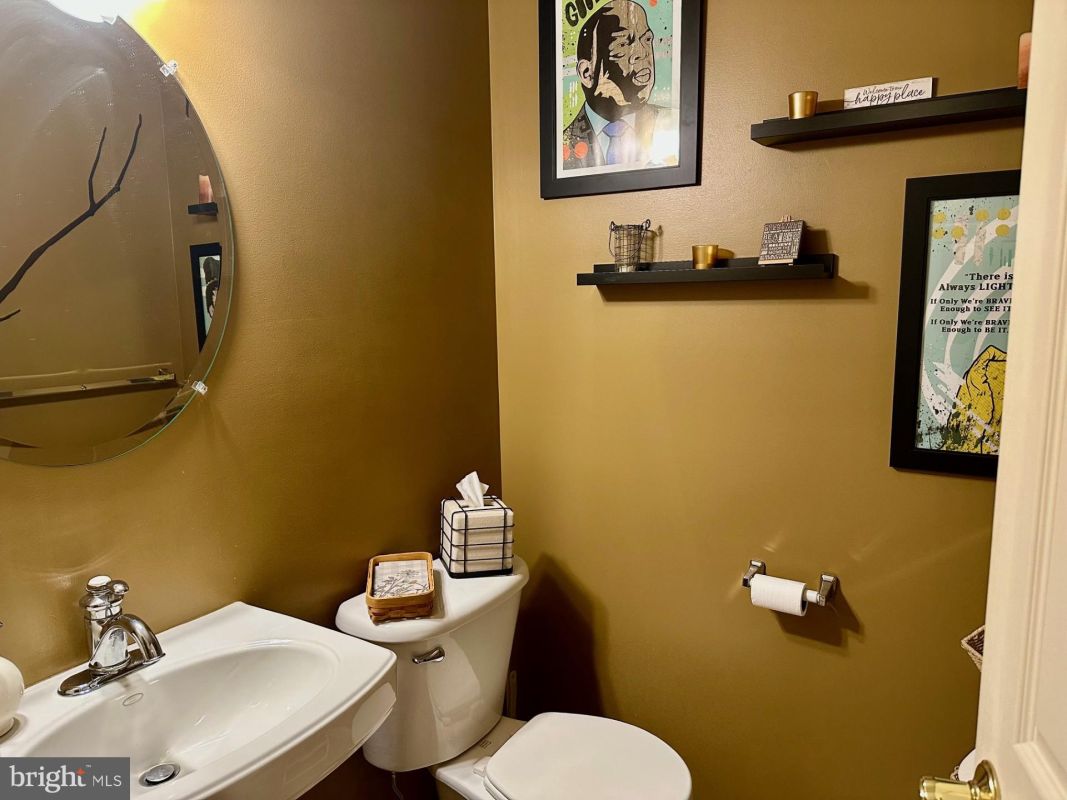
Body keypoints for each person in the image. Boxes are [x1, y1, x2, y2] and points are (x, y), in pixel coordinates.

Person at [563, 0, 670, 170]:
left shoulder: (671, 124)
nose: (642, 53)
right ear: (587, 73)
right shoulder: (564, 146)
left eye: (646, 39)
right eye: (622, 45)